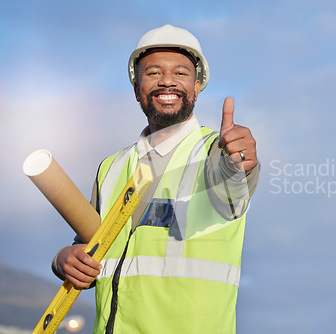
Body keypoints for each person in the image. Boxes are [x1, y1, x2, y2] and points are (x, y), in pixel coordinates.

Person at [51, 24, 259, 333]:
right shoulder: (111, 167)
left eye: (180, 73)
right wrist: (63, 260)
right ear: (137, 89)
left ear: (197, 87)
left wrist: (240, 163)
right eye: (153, 73)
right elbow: (89, 249)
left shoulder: (216, 154)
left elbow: (234, 186)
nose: (167, 81)